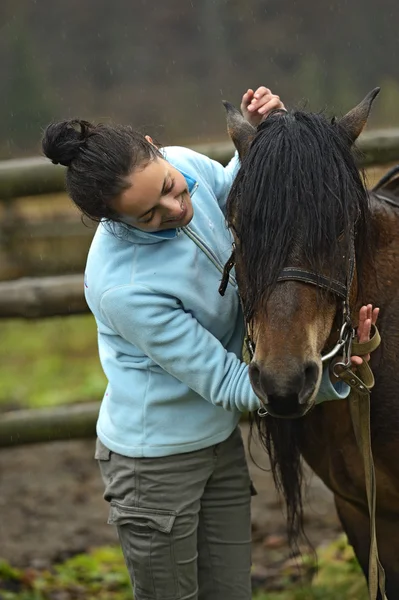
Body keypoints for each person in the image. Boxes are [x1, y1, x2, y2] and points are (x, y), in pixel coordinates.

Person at [42, 87, 378, 600]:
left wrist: (270, 134)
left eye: (173, 189)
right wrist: (337, 377)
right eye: (148, 216)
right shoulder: (124, 287)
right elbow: (226, 381)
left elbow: (245, 193)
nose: (177, 209)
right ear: (111, 220)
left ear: (159, 151)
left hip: (217, 446)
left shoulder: (185, 165)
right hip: (156, 467)